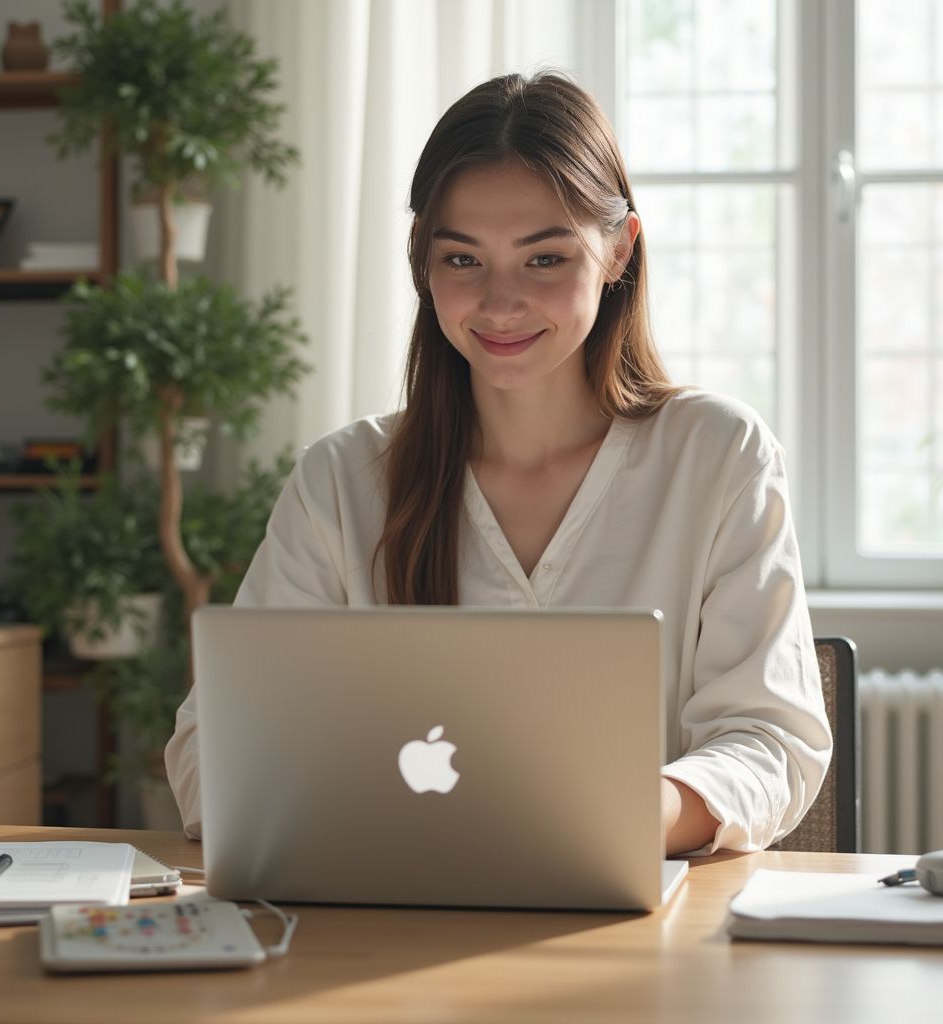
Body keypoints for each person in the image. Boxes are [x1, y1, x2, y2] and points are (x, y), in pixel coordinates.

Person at [165, 71, 832, 854]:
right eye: (463, 260)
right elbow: (208, 759)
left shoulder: (718, 456)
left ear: (619, 250)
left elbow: (770, 742)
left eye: (545, 260)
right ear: (424, 263)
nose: (500, 302)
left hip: (635, 929)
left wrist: (616, 819)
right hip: (386, 928)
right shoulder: (339, 480)